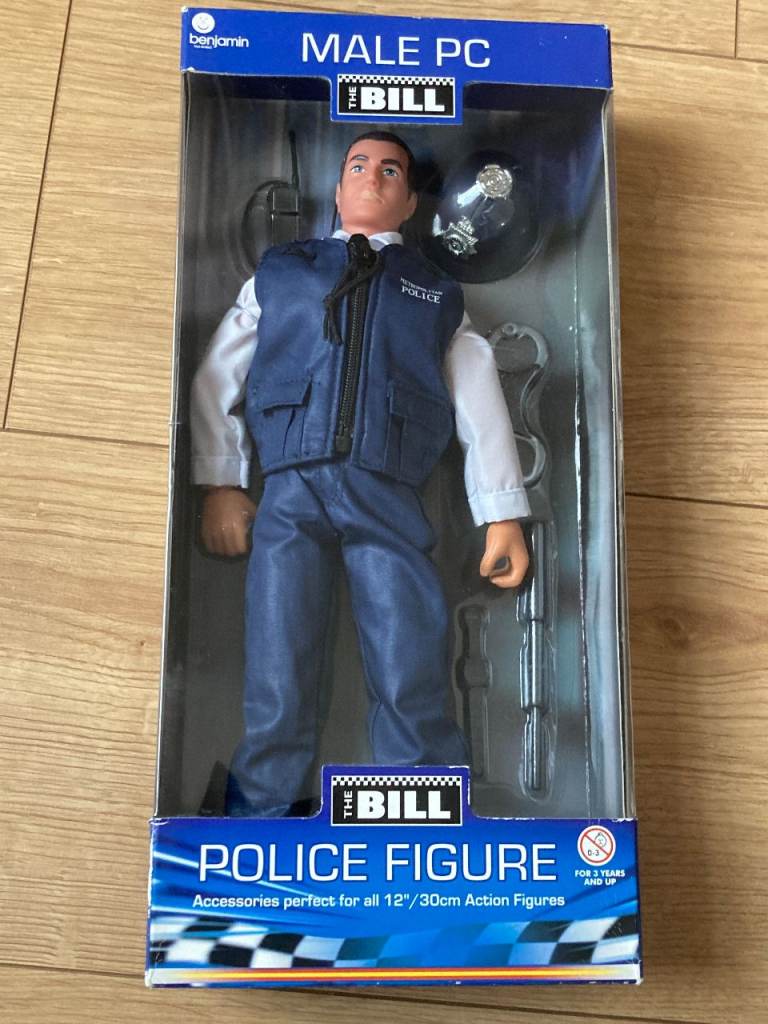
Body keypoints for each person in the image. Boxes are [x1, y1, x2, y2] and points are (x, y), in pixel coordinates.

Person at [191, 131, 530, 816]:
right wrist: (222, 482)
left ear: (410, 202)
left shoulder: (434, 293)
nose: (372, 178)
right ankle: (256, 818)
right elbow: (217, 375)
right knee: (277, 666)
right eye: (358, 166)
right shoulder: (283, 272)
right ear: (338, 188)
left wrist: (501, 512)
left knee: (410, 662)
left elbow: (479, 400)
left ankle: (428, 812)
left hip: (387, 494)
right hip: (290, 492)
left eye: (391, 171)